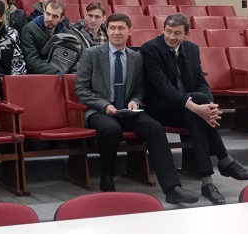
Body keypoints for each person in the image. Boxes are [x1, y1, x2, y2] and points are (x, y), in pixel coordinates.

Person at [75, 13, 198, 203]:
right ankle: (107, 175)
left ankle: (172, 188)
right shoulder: (91, 54)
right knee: (111, 129)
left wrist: (136, 101)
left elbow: (140, 89)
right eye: (112, 28)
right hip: (99, 110)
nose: (116, 32)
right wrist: (104, 105)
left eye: (121, 28)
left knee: (155, 128)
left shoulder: (137, 57)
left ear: (130, 31)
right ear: (107, 31)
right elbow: (81, 89)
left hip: (128, 110)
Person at [140, 13, 248, 204]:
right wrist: (197, 106)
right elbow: (163, 87)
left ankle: (207, 181)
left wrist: (208, 106)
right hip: (160, 107)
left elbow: (201, 81)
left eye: (177, 33)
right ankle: (225, 160)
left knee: (195, 116)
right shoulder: (150, 49)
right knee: (197, 108)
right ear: (162, 30)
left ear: (186, 34)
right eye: (168, 31)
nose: (171, 36)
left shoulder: (192, 49)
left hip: (188, 108)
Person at [21, 0, 77, 74]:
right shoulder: (29, 29)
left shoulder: (68, 35)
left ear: (61, 18)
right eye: (48, 14)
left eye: (55, 16)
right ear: (44, 12)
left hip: (63, 73)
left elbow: (75, 59)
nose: (50, 19)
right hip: (36, 76)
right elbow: (32, 60)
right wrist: (56, 73)